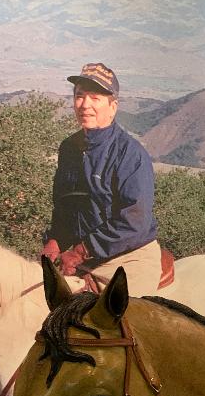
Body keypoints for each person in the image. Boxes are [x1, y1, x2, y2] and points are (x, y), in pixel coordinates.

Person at [43, 62, 162, 296]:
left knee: (112, 324)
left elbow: (134, 221)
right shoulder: (69, 149)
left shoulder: (131, 154)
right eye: (79, 96)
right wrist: (55, 241)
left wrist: (80, 251)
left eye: (95, 98)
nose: (85, 105)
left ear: (113, 106)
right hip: (86, 258)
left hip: (129, 258)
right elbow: (64, 208)